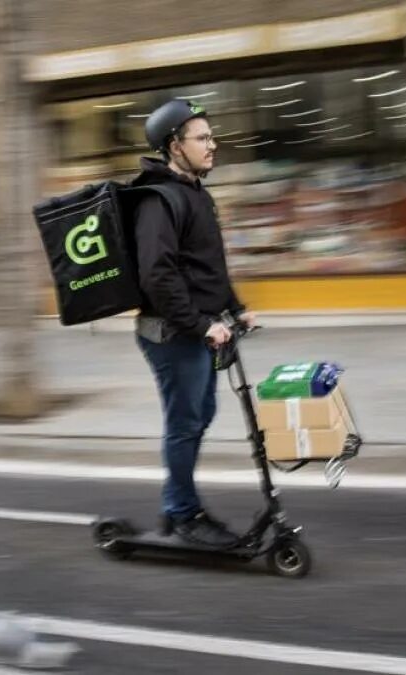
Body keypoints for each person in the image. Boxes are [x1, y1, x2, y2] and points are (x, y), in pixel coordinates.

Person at [131, 100, 257, 548]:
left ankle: (175, 506)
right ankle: (183, 514)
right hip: (170, 333)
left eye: (210, 136)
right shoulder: (158, 200)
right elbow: (157, 276)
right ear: (173, 146)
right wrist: (201, 325)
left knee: (200, 414)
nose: (212, 144)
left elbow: (208, 267)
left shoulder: (197, 194)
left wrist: (236, 307)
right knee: (185, 421)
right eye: (201, 138)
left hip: (196, 328)